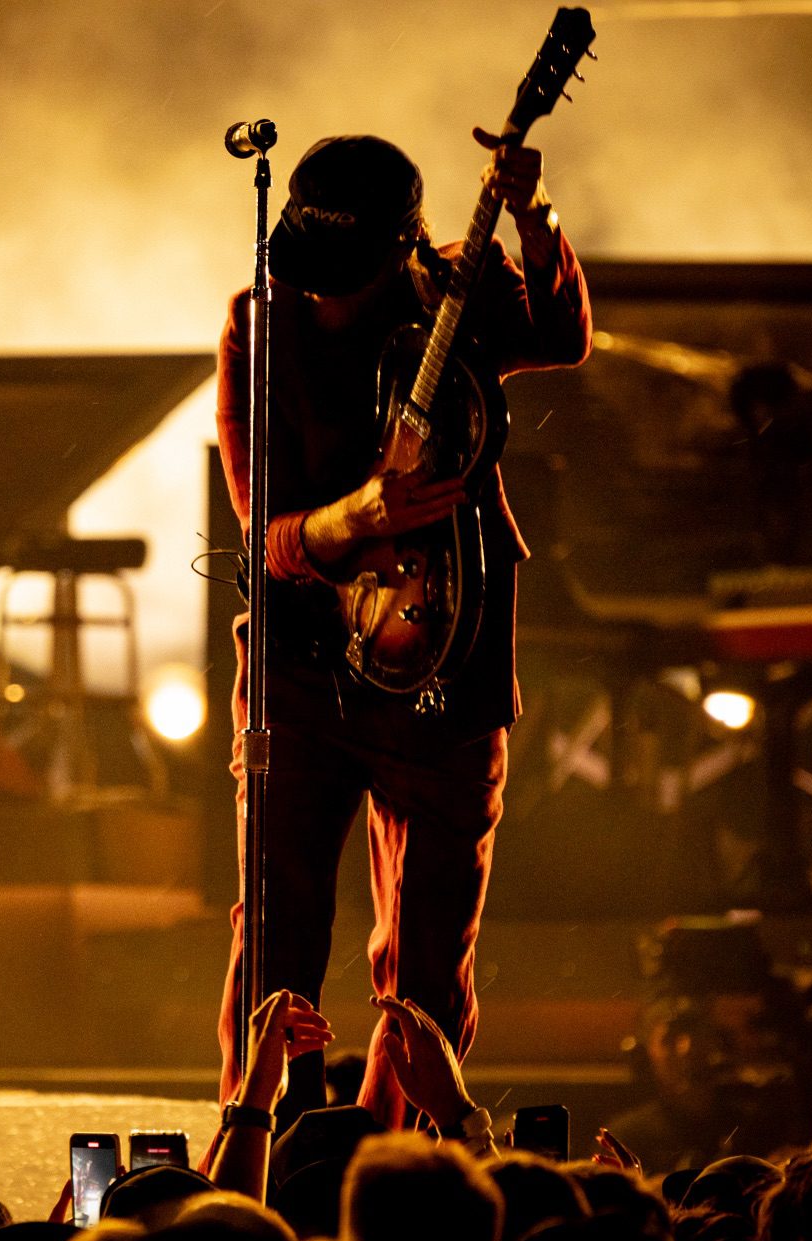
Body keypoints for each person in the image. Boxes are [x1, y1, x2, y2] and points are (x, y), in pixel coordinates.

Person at [214, 129, 591, 1131]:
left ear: (398, 254)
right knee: (277, 934)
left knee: (426, 959)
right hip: (302, 668)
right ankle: (266, 1148)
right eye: (308, 276)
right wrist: (365, 515)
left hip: (449, 665)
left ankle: (398, 1161)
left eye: (343, 279)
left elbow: (559, 333)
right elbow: (268, 535)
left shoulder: (454, 300)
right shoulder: (258, 328)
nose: (319, 299)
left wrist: (531, 212)